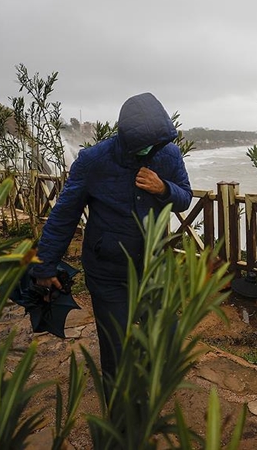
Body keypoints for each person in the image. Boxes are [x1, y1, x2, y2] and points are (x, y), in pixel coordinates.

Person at [29, 92, 192, 382]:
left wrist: (163, 188)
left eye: (154, 145)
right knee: (116, 352)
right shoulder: (94, 161)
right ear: (125, 139)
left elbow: (184, 198)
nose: (149, 151)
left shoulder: (168, 155)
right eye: (142, 147)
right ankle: (120, 419)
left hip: (153, 269)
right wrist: (44, 265)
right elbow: (65, 214)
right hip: (109, 272)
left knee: (165, 340)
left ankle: (152, 394)